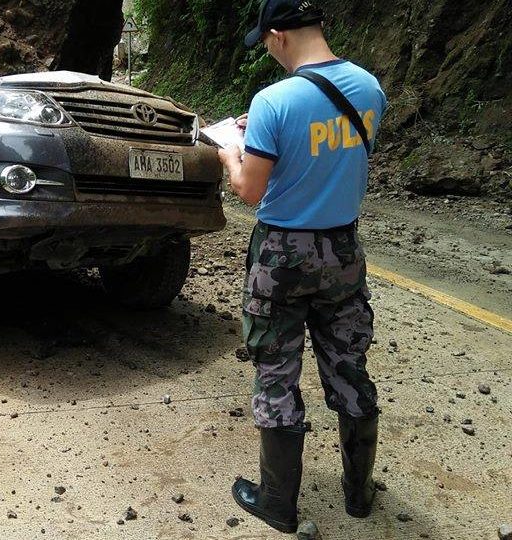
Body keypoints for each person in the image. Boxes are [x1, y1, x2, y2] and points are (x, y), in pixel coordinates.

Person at [215, 0, 388, 534]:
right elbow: (335, 155)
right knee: (348, 364)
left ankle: (276, 504)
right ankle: (358, 495)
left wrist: (228, 152)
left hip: (283, 256)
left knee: (276, 371)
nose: (266, 51)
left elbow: (250, 189)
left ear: (278, 35)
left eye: (264, 41)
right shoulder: (370, 88)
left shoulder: (273, 100)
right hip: (342, 251)